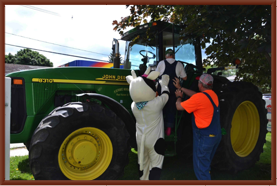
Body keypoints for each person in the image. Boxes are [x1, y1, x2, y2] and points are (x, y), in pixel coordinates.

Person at [173, 73, 222, 180]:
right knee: (205, 163)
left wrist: (179, 97)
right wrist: (181, 87)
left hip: (204, 138)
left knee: (201, 169)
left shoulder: (199, 98)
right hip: (216, 136)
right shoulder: (212, 95)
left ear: (200, 84)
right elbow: (195, 95)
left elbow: (179, 107)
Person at [156, 49, 187, 136]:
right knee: (171, 108)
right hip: (173, 90)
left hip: (162, 89)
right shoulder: (179, 64)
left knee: (160, 107)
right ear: (173, 55)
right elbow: (185, 78)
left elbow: (156, 75)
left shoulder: (161, 63)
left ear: (166, 55)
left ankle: (159, 128)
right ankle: (169, 129)